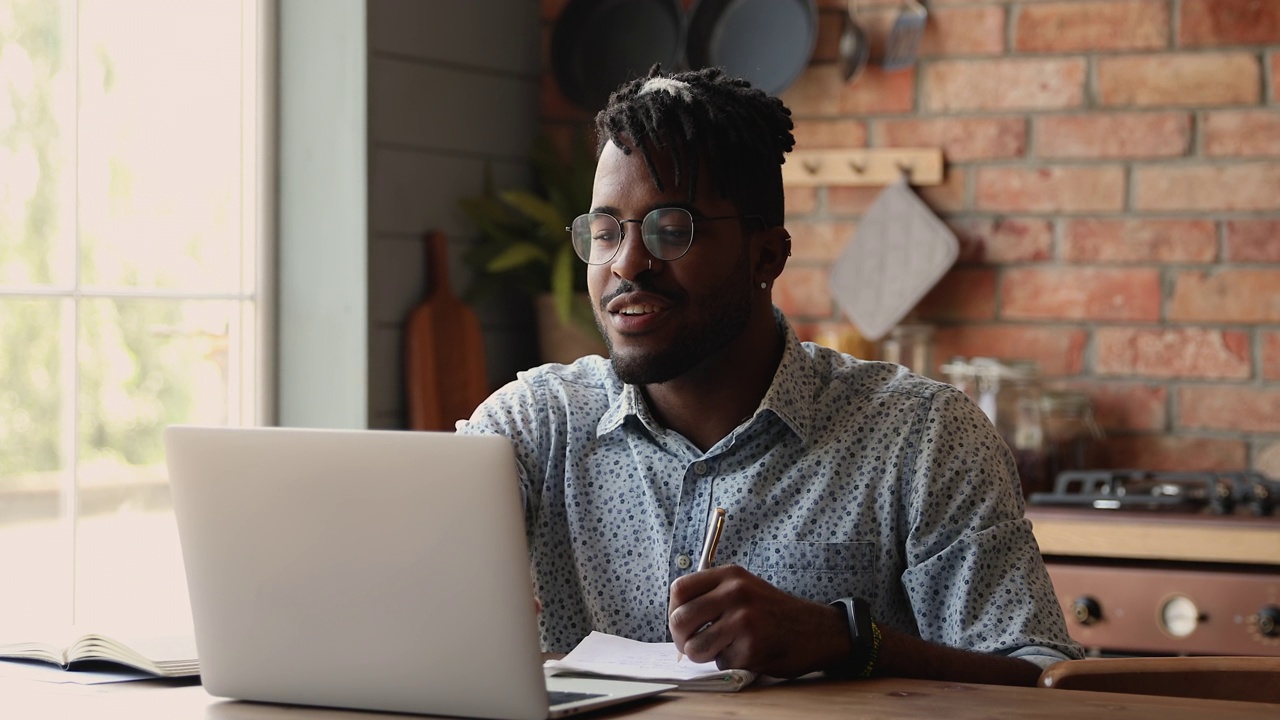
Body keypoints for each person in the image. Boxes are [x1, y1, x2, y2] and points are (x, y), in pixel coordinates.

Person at [457, 64, 1084, 685]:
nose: (628, 263)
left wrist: (846, 642)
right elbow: (409, 594)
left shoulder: (921, 437)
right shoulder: (534, 427)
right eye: (605, 231)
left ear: (767, 255)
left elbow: (1041, 681)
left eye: (671, 230)